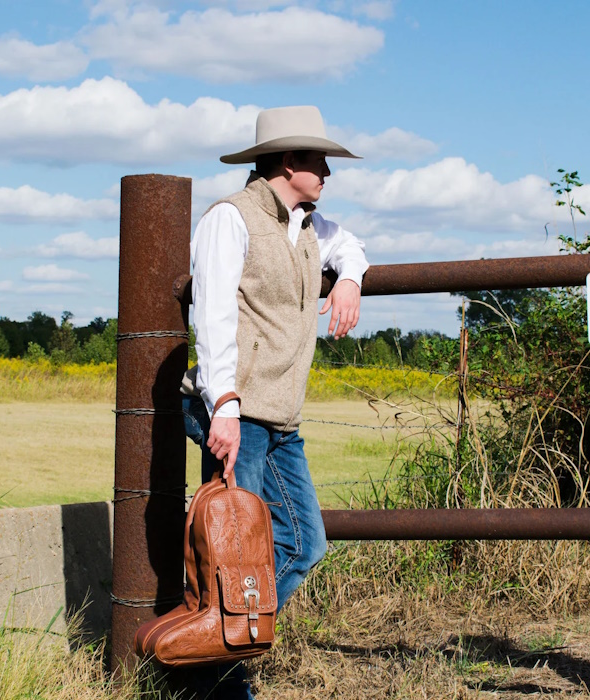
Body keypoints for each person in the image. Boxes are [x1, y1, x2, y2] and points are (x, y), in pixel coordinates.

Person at [182, 105, 369, 699]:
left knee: (303, 544)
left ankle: (212, 645)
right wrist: (226, 404)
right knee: (236, 556)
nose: (328, 174)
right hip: (237, 411)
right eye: (320, 162)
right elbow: (211, 318)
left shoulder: (309, 225)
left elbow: (354, 248)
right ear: (289, 163)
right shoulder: (229, 220)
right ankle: (214, 675)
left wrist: (349, 279)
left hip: (280, 418)